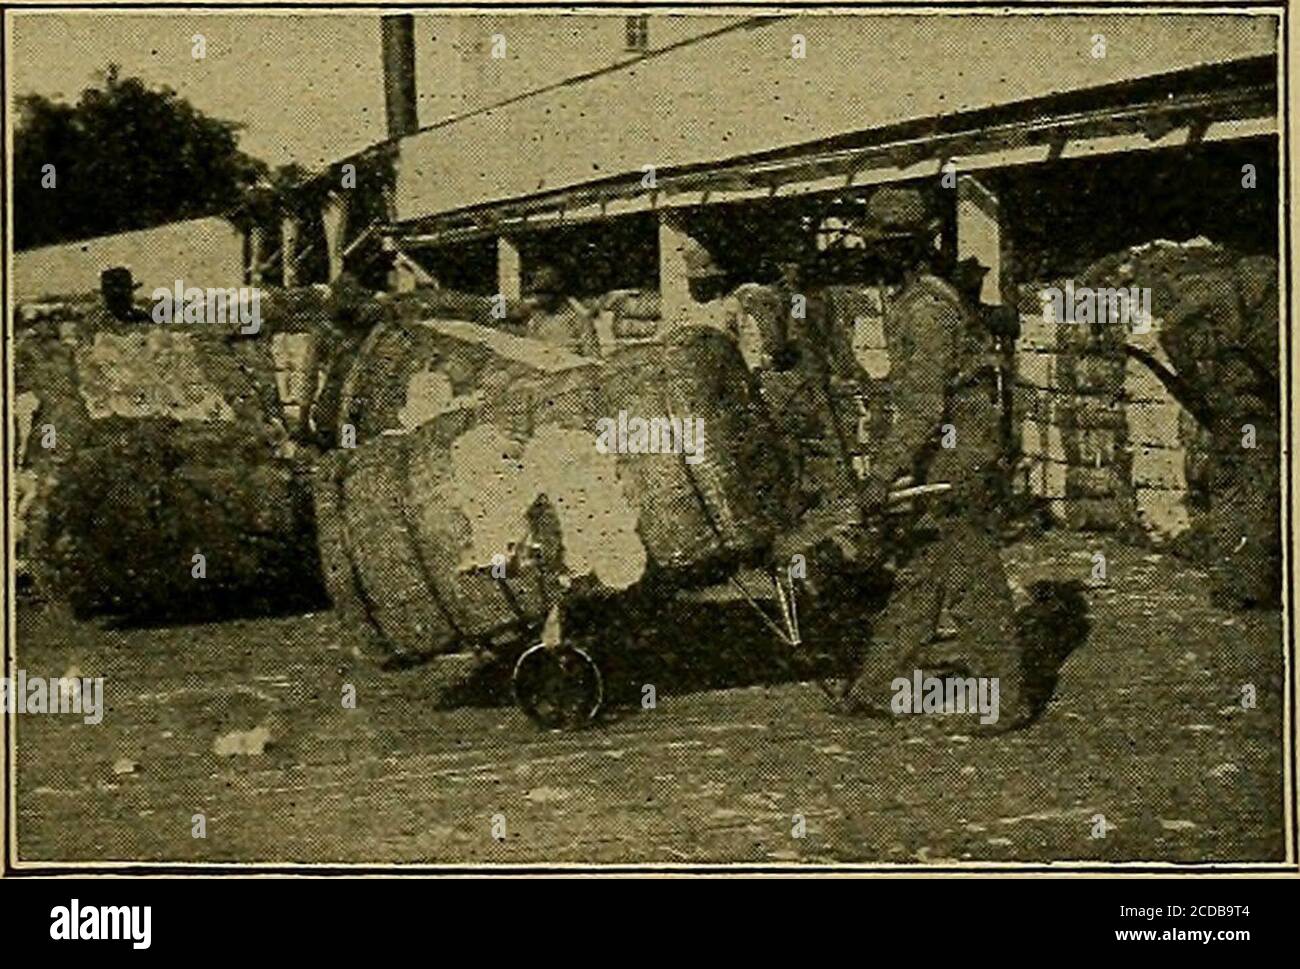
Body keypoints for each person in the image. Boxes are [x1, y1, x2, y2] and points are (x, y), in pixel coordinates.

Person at [839, 220, 1031, 731]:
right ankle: (880, 684)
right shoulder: (911, 299)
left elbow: (925, 408)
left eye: (875, 246)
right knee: (923, 567)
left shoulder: (926, 311)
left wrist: (882, 475)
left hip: (961, 452)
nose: (866, 254)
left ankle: (1005, 701)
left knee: (972, 578)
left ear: (897, 251)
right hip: (947, 447)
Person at [523, 264, 602, 358]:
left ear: (558, 293)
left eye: (543, 293)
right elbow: (529, 349)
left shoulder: (579, 317)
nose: (537, 299)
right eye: (536, 293)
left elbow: (593, 360)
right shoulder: (537, 315)